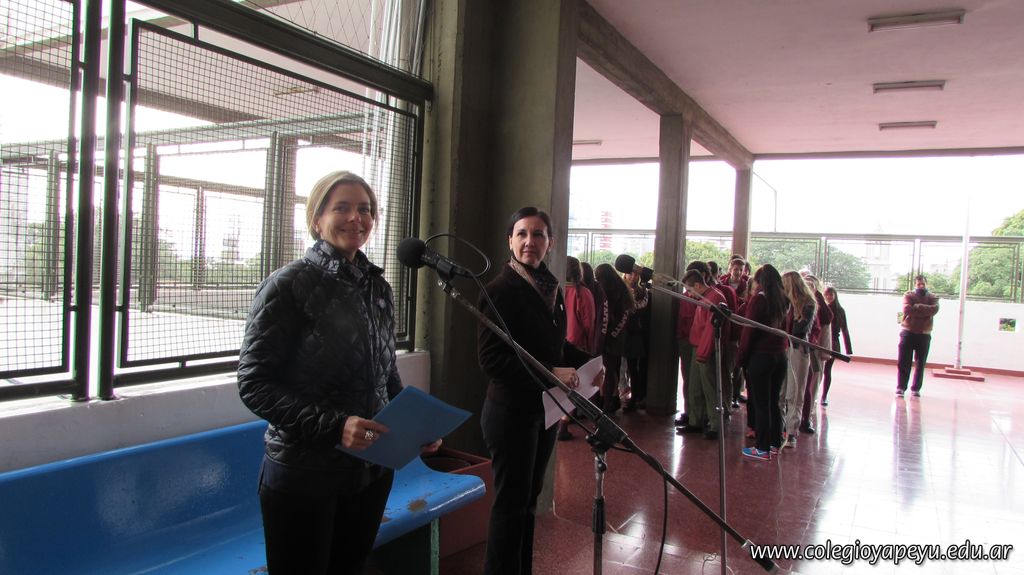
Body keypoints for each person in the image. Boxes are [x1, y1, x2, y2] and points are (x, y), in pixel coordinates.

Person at [238, 171, 438, 575]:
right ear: (316, 219)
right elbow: (254, 384)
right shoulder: (287, 285)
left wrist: (414, 425)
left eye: (364, 209)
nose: (355, 218)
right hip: (304, 475)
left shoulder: (378, 288)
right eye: (341, 208)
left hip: (369, 471)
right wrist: (336, 426)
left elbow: (385, 373)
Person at [477, 207, 599, 575]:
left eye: (538, 234)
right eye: (522, 234)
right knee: (511, 506)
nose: (530, 241)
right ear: (510, 241)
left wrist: (590, 363)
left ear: (551, 243)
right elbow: (492, 360)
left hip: (542, 411)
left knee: (528, 502)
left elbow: (555, 346)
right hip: (509, 413)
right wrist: (550, 373)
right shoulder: (499, 291)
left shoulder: (550, 288)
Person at [736, 264, 789, 460]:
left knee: (760, 403)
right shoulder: (784, 300)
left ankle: (762, 448)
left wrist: (741, 358)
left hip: (761, 357)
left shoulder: (759, 300)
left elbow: (748, 332)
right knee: (773, 402)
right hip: (780, 356)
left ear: (760, 282)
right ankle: (775, 443)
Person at [681, 267, 729, 440]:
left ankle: (716, 425)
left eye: (690, 290)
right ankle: (695, 421)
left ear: (698, 285)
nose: (689, 294)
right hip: (697, 346)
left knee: (710, 388)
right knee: (695, 387)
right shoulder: (704, 297)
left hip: (706, 349)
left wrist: (703, 352)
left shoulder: (715, 298)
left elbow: (711, 330)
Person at [559, 256, 596, 440]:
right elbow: (589, 323)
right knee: (574, 385)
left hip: (558, 343)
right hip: (577, 344)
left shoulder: (556, 289)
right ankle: (564, 424)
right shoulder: (582, 293)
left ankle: (559, 421)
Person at [780, 270, 817, 449]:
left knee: (794, 394)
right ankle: (779, 429)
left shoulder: (808, 304)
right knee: (781, 392)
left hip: (798, 351)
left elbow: (799, 331)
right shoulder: (784, 303)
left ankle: (791, 432)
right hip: (783, 349)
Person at [595, 263, 634, 415]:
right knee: (612, 371)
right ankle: (611, 401)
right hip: (616, 338)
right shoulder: (622, 290)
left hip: (611, 339)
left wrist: (607, 336)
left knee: (609, 371)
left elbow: (619, 318)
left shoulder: (612, 293)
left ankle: (605, 405)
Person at [897, 275, 939, 397]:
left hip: (924, 334)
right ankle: (901, 388)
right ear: (915, 285)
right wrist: (924, 311)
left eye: (923, 284)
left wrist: (917, 306)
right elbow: (906, 309)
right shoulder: (908, 295)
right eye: (918, 284)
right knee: (903, 362)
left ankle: (916, 389)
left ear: (926, 284)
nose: (921, 286)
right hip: (907, 333)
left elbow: (934, 309)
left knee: (921, 364)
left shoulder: (933, 297)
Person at [622, 268, 651, 412]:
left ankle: (636, 396)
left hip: (636, 334)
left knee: (635, 367)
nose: (633, 276)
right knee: (626, 368)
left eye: (635, 274)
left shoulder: (643, 292)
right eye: (630, 273)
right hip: (624, 333)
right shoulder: (621, 289)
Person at [821, 286, 852, 406]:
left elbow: (845, 329)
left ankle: (824, 396)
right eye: (827, 294)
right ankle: (818, 395)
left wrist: (849, 350)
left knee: (827, 370)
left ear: (835, 295)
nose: (829, 297)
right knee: (819, 370)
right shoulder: (823, 308)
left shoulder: (840, 311)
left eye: (831, 294)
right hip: (823, 341)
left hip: (833, 342)